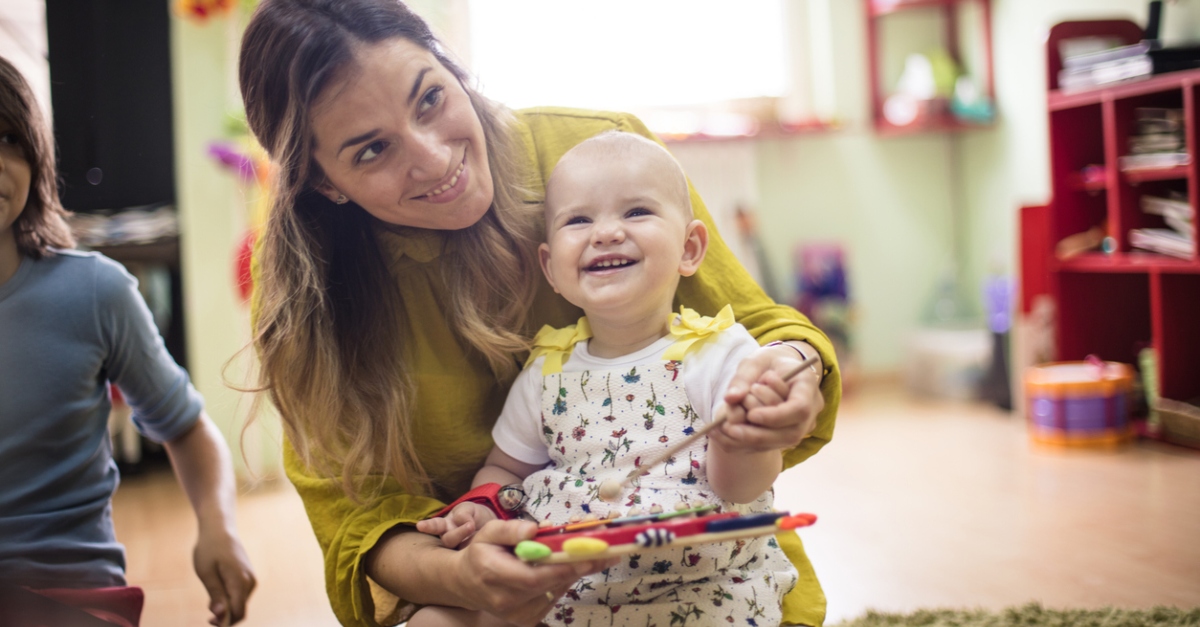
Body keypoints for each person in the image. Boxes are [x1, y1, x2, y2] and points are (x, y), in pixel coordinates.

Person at [238, 1, 841, 625]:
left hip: (707, 578)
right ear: (324, 182)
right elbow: (357, 518)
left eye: (430, 100)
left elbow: (765, 332)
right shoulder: (307, 295)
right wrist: (462, 568)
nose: (434, 158)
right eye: (370, 151)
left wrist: (785, 376)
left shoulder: (600, 151)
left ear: (452, 67)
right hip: (509, 591)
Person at [412, 131, 808, 626]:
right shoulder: (546, 370)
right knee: (433, 620)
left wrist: (740, 440)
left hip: (701, 594)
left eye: (636, 212)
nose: (605, 233)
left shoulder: (720, 353)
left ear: (689, 248)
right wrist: (485, 508)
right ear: (550, 267)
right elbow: (506, 471)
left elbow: (742, 487)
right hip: (566, 594)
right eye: (579, 220)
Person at [0, 55, 256, 626]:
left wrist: (218, 528)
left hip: (69, 603)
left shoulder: (93, 291)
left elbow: (186, 428)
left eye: (8, 138)